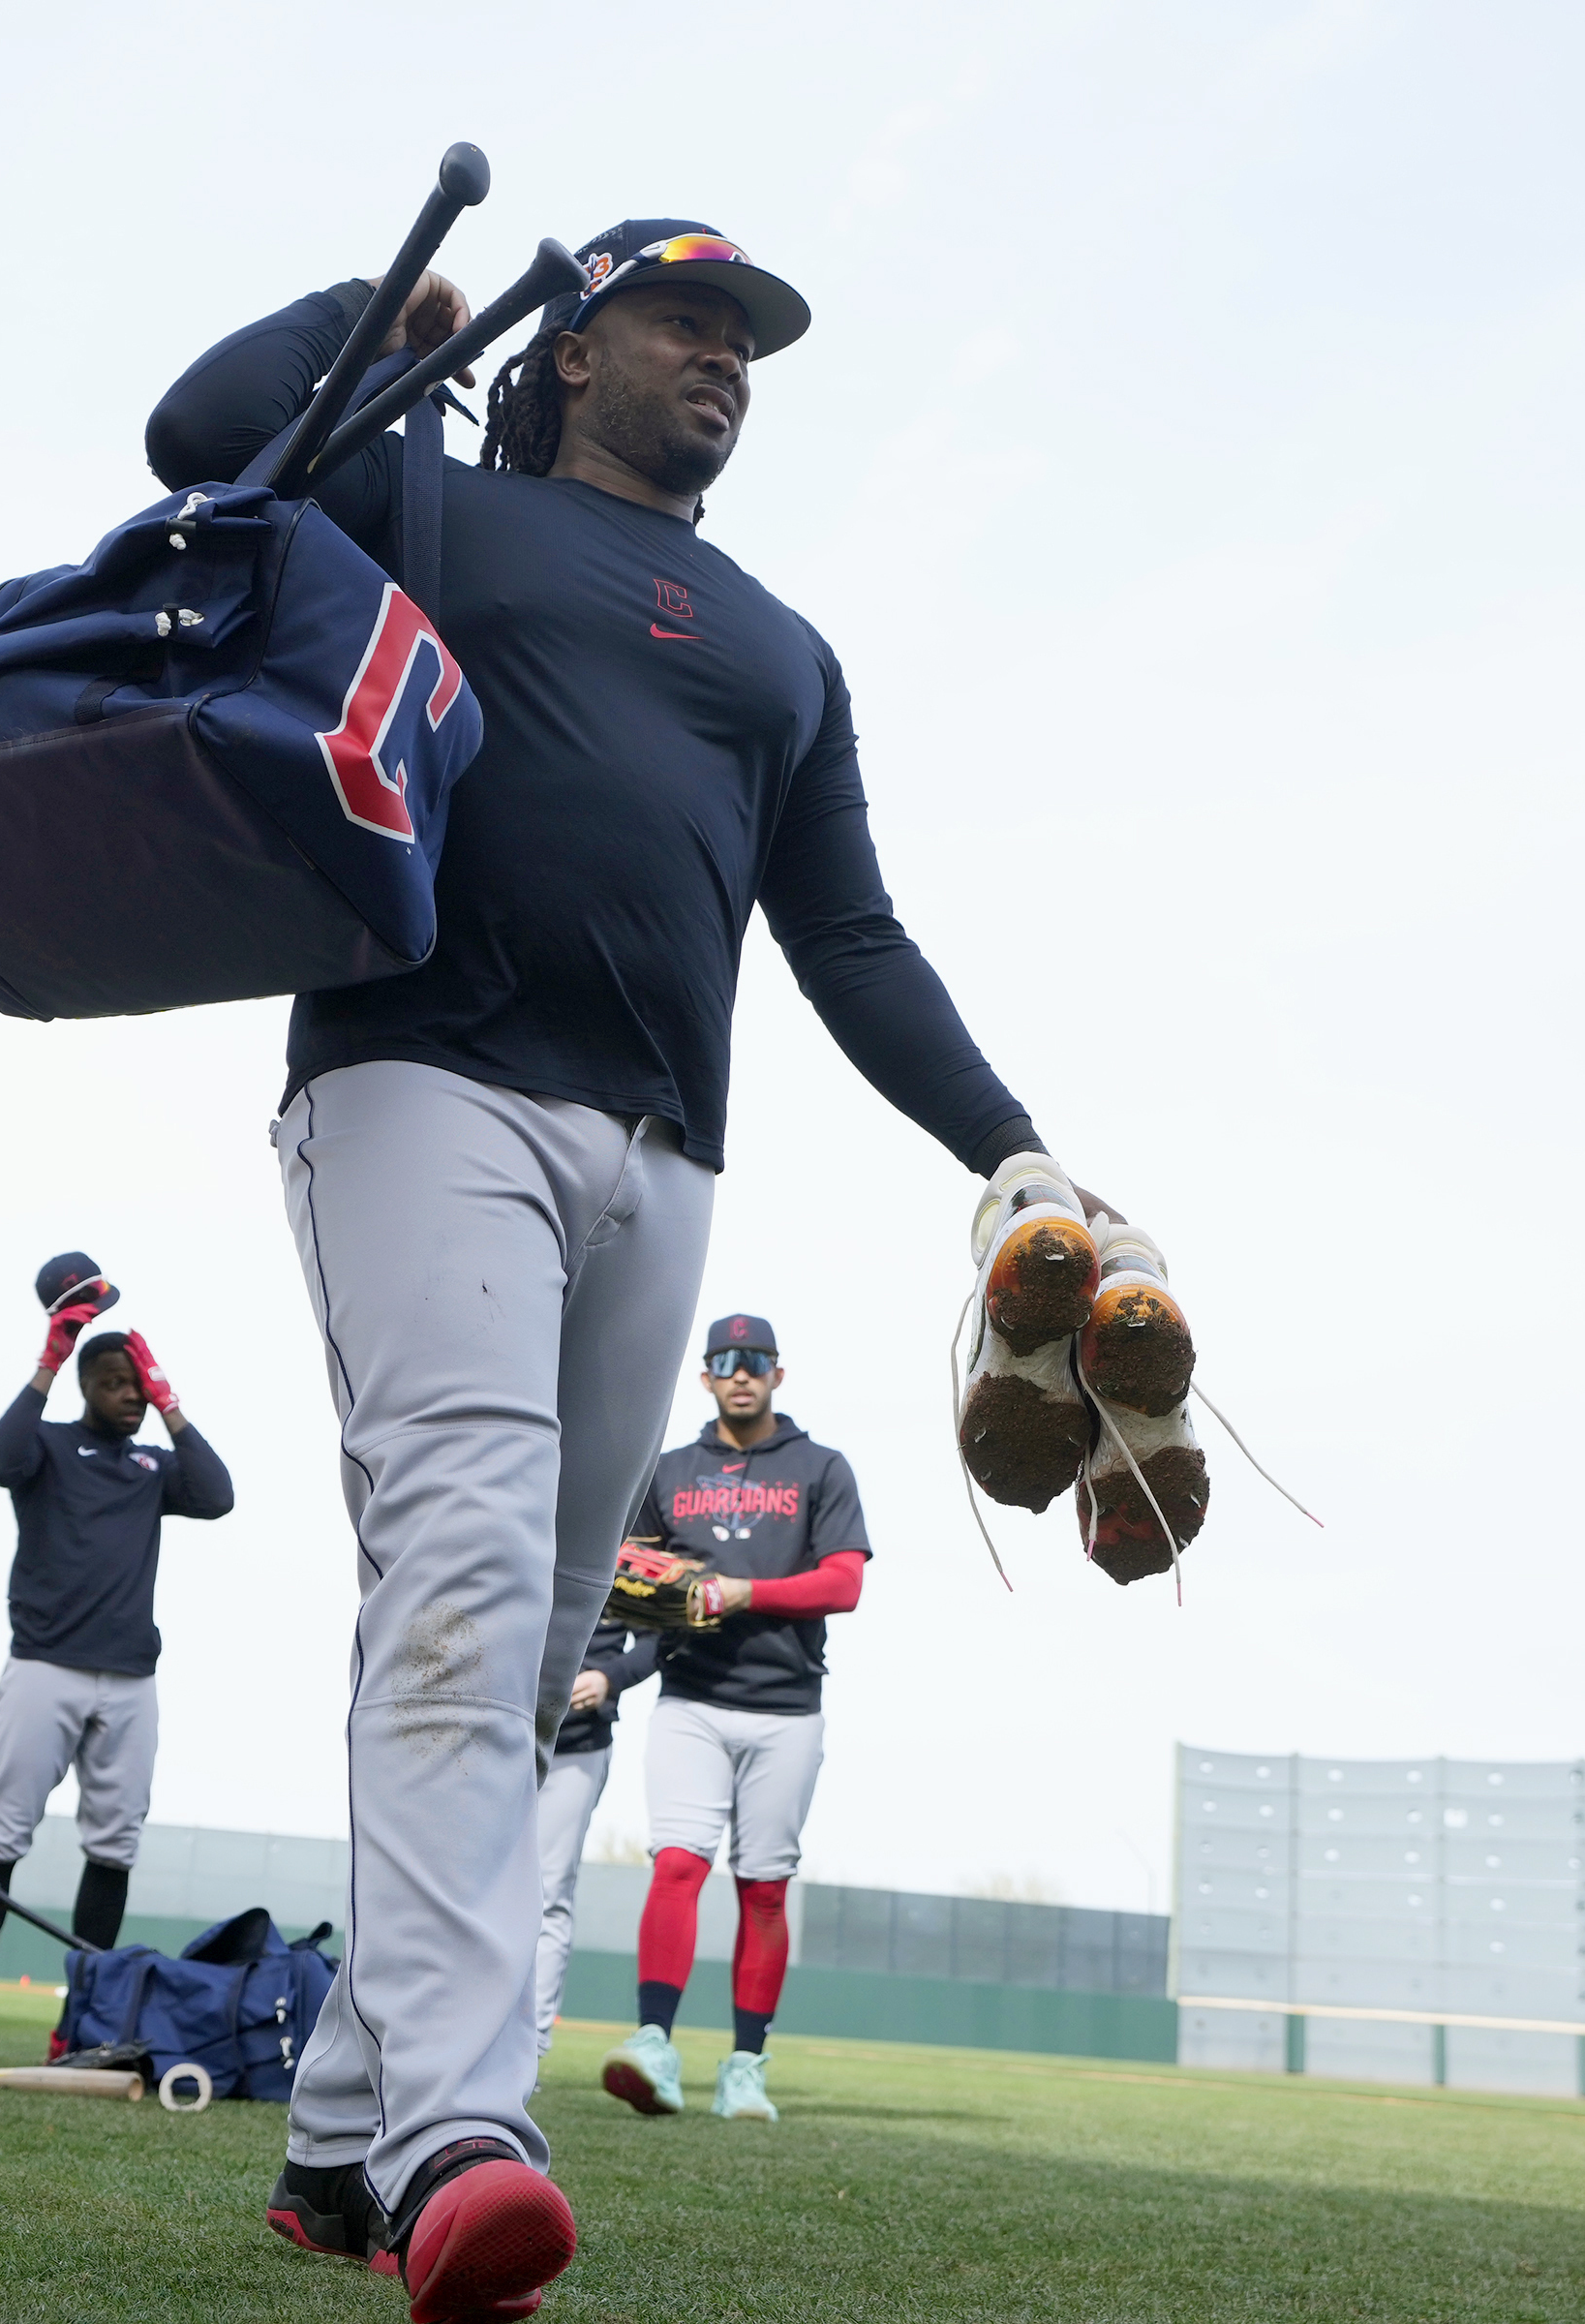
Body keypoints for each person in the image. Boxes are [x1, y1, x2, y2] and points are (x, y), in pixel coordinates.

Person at [152, 222, 1085, 2316]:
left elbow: (847, 941)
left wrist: (1013, 1152)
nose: (726, 358)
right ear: (567, 353)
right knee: (469, 1586)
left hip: (664, 1154)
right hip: (423, 1082)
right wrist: (376, 327)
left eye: (748, 338)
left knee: (541, 1646)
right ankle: (452, 2138)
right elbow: (198, 440)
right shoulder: (432, 500)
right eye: (685, 319)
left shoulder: (783, 649)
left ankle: (325, 2134)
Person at [0, 1254, 234, 2072]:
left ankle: (85, 2020)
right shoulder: (44, 1448)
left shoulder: (154, 1469)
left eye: (138, 1383)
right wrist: (50, 1355)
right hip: (46, 1669)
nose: (131, 1395)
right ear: (84, 1386)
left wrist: (170, 1397)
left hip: (130, 1681)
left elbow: (217, 1495)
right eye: (117, 1382)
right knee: (4, 1836)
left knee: (114, 1848)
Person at [599, 1312, 869, 2126]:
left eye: (755, 1360)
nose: (740, 1372)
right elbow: (622, 1569)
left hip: (787, 1704)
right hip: (691, 1696)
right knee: (677, 1865)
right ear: (706, 1376)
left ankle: (745, 2067)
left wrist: (746, 1591)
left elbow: (844, 1584)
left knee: (763, 1888)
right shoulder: (670, 1469)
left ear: (778, 1375)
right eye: (724, 1360)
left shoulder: (821, 1467)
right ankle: (655, 2045)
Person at [529, 1618, 658, 2069]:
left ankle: (529, 2051)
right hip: (489, 1727)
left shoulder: (629, 1546)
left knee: (548, 1894)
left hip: (577, 1742)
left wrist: (610, 1677)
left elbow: (660, 1635)